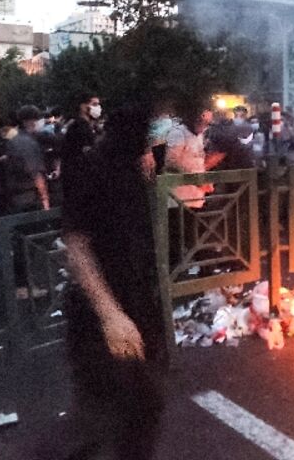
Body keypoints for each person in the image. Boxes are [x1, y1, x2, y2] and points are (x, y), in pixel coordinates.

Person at [59, 105, 168, 459]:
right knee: (105, 422)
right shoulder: (91, 169)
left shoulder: (133, 170)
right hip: (100, 314)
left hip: (136, 303)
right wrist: (110, 315)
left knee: (137, 411)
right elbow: (77, 246)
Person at [2, 106, 51, 214]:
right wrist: (45, 200)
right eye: (37, 119)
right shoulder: (26, 142)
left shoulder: (17, 138)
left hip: (20, 197)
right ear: (28, 122)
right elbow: (35, 173)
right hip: (29, 198)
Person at [60, 92, 102, 202]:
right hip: (82, 181)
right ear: (83, 107)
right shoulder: (80, 127)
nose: (98, 108)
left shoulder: (84, 126)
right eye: (94, 104)